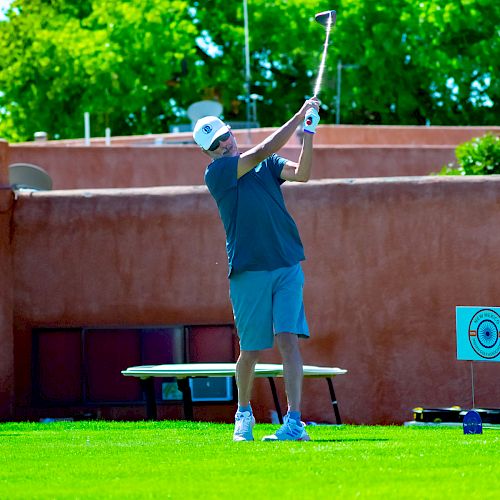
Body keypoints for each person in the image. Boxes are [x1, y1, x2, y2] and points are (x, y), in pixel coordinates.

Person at [193, 98, 320, 441]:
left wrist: (307, 132)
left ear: (230, 132)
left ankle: (294, 422)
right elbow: (263, 148)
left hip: (286, 263)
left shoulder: (266, 164)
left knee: (288, 341)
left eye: (224, 136)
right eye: (215, 144)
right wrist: (297, 114)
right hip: (248, 270)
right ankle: (243, 413)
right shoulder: (217, 172)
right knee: (251, 350)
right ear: (209, 153)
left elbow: (302, 174)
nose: (224, 144)